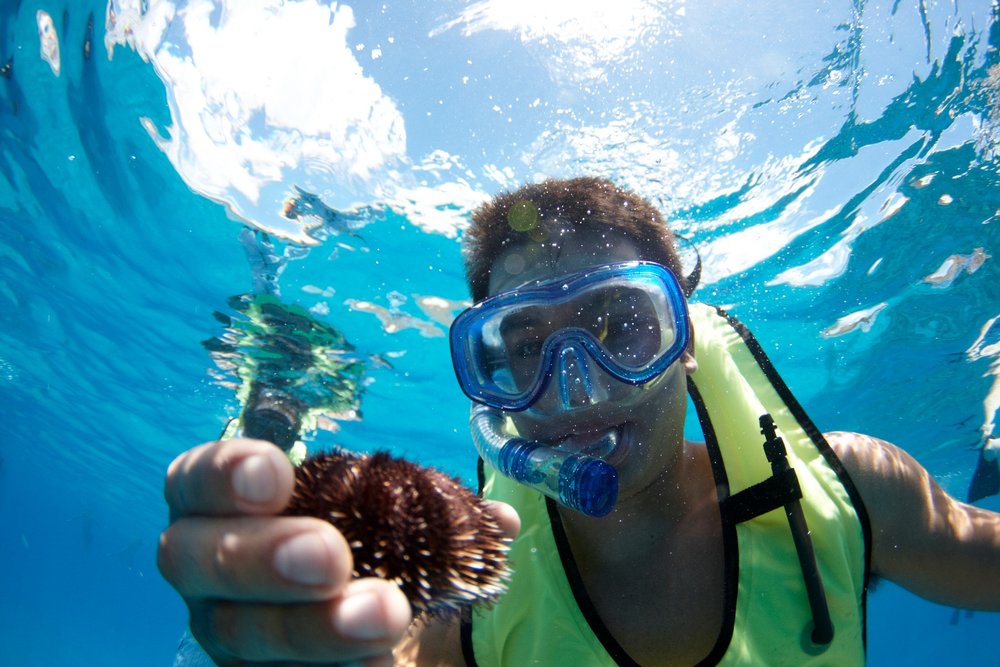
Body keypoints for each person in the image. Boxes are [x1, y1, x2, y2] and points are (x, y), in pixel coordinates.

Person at [159, 177, 1000, 666]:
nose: (576, 391)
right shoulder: (467, 592)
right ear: (485, 378)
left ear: (688, 341)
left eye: (622, 326)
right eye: (522, 347)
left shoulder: (850, 493)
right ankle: (272, 418)